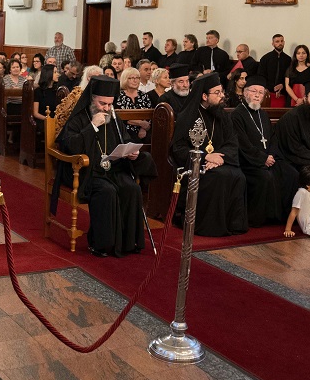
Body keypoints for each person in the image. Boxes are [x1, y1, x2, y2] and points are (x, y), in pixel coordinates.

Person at [56, 76, 156, 256]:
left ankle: (127, 243)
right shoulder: (79, 118)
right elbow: (70, 145)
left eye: (110, 104)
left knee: (131, 188)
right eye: (103, 104)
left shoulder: (114, 119)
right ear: (92, 99)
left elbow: (125, 141)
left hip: (112, 169)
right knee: (107, 191)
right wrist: (93, 126)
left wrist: (132, 153)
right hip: (86, 172)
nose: (107, 108)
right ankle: (101, 244)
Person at [170, 73, 248, 236]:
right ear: (204, 96)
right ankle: (209, 226)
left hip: (218, 162)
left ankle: (232, 224)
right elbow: (178, 148)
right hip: (195, 165)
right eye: (217, 93)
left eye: (222, 92)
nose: (222, 96)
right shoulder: (188, 116)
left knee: (238, 176)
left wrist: (219, 157)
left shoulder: (222, 115)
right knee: (217, 177)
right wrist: (205, 156)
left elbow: (232, 142)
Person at [233, 76, 295, 226]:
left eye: (260, 93)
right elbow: (242, 144)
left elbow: (273, 138)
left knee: (291, 173)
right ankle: (259, 218)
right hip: (248, 161)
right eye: (254, 91)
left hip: (267, 158)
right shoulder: (237, 114)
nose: (257, 95)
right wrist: (262, 158)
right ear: (245, 93)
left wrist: (271, 155)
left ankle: (282, 216)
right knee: (265, 176)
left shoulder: (263, 115)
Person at [115, 67, 153, 140]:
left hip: (143, 130)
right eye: (132, 78)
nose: (135, 80)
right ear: (125, 79)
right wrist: (140, 123)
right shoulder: (119, 96)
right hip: (125, 131)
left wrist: (143, 129)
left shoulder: (144, 95)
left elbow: (149, 115)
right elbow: (120, 117)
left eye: (137, 78)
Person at [258, 34, 292, 107]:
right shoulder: (265, 58)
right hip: (267, 92)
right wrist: (272, 88)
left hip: (283, 92)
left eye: (281, 41)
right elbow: (261, 77)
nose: (280, 43)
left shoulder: (288, 59)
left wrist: (282, 85)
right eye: (277, 41)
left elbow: (290, 77)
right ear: (273, 44)